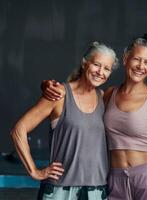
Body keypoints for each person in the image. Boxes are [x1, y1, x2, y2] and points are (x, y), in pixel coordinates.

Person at [11, 41, 118, 200]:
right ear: (84, 63)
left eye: (107, 68)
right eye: (96, 64)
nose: (100, 72)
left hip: (97, 191)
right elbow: (19, 130)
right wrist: (34, 170)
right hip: (59, 191)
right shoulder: (59, 95)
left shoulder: (104, 97)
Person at [103, 35, 147, 200]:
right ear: (126, 59)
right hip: (115, 179)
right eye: (137, 59)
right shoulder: (110, 94)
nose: (141, 66)